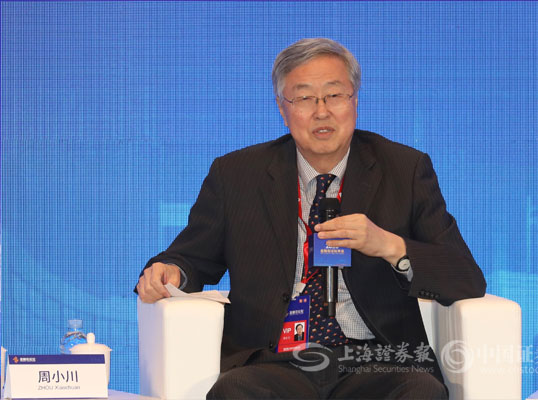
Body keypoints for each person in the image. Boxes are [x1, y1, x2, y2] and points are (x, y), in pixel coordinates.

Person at [136, 38, 486, 399]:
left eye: (334, 95)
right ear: (281, 107)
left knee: (420, 392)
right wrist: (171, 271)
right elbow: (191, 257)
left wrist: (390, 246)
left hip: (376, 359)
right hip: (273, 361)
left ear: (354, 100)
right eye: (304, 98)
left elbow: (466, 278)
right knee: (234, 391)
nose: (322, 111)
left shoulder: (404, 169)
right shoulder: (237, 174)